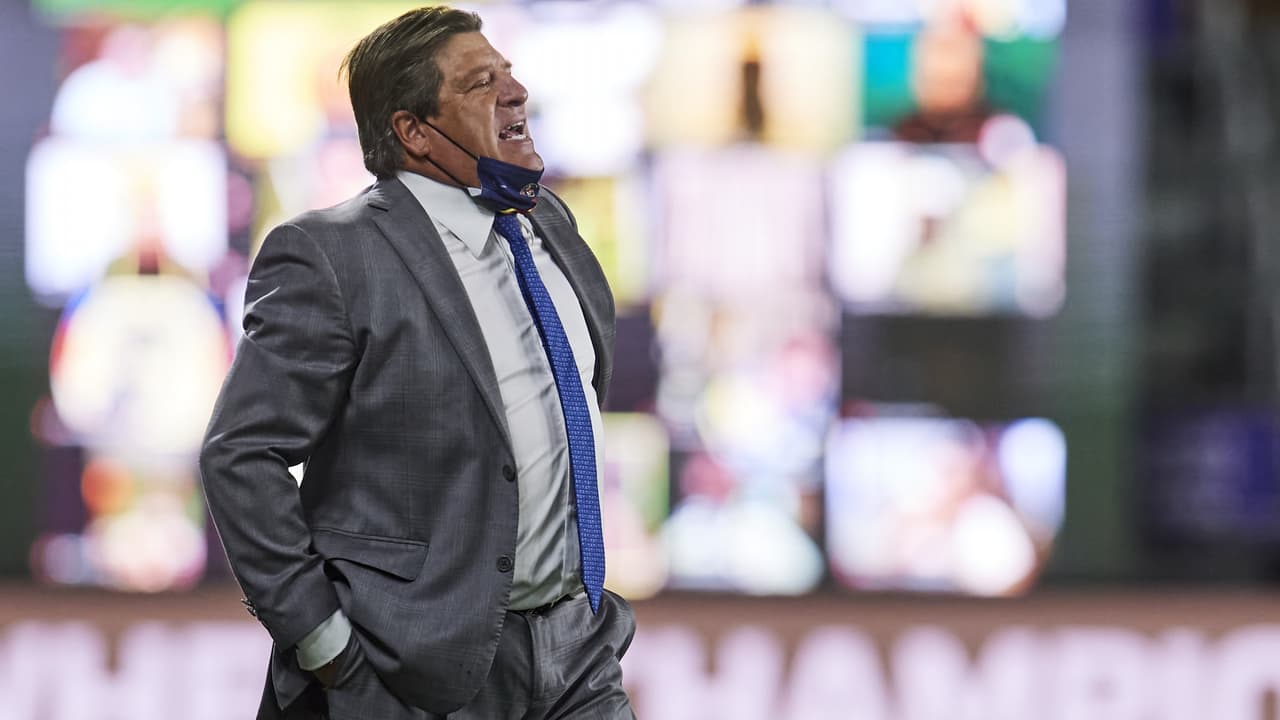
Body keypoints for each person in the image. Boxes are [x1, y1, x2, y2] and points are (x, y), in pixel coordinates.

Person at [199, 6, 635, 719]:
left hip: (578, 652)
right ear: (414, 131)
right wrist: (323, 642)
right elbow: (241, 454)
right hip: (411, 667)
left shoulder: (548, 222)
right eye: (480, 83)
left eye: (508, 73)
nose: (516, 92)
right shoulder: (332, 254)